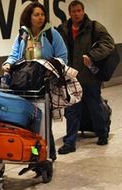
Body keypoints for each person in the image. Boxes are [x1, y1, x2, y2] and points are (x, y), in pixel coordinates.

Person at [2, 1, 68, 161]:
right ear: (29, 17)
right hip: (25, 84)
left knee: (44, 122)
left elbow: (63, 57)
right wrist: (8, 63)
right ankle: (34, 154)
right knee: (29, 122)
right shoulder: (22, 35)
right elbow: (14, 54)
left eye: (42, 14)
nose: (40, 18)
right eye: (36, 15)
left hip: (45, 84)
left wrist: (49, 69)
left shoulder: (52, 33)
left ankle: (48, 155)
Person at [57, 0, 113, 154]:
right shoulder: (63, 29)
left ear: (83, 11)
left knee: (95, 106)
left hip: (90, 76)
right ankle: (70, 142)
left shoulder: (94, 27)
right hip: (71, 77)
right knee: (72, 110)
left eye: (78, 10)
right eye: (73, 11)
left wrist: (92, 55)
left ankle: (102, 133)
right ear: (69, 13)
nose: (76, 14)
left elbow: (108, 44)